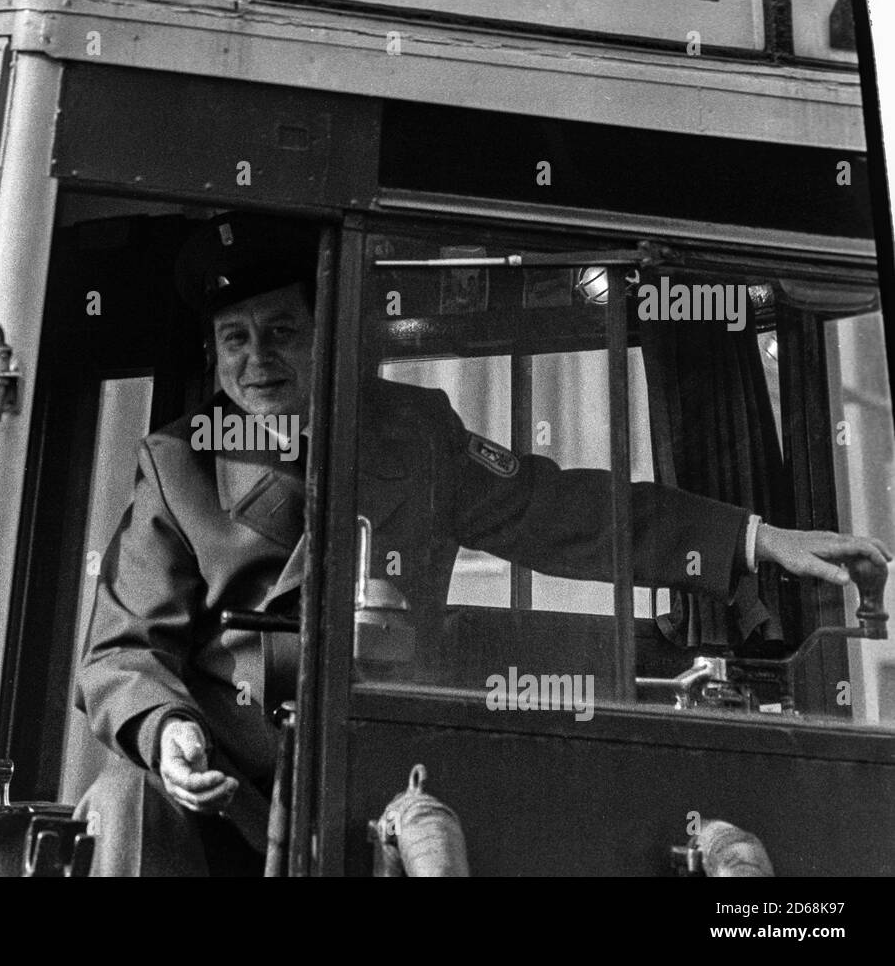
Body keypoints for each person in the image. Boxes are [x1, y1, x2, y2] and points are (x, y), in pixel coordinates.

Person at [72, 212, 891, 876]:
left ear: (326, 335)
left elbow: (561, 509)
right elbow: (118, 653)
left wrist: (752, 538)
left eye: (281, 329)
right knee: (123, 805)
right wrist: (166, 732)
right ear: (213, 358)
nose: (258, 360)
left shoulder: (409, 433)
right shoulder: (177, 464)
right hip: (232, 797)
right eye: (235, 339)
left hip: (376, 780)